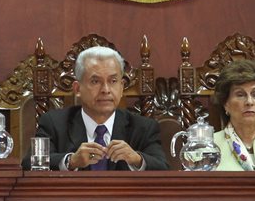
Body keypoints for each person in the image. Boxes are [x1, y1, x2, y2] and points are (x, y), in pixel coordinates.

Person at [21, 45, 168, 171]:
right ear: (77, 88)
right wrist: (71, 161)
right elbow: (30, 164)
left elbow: (163, 168)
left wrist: (136, 159)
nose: (106, 89)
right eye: (95, 81)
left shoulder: (143, 127)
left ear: (122, 87)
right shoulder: (55, 123)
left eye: (113, 81)